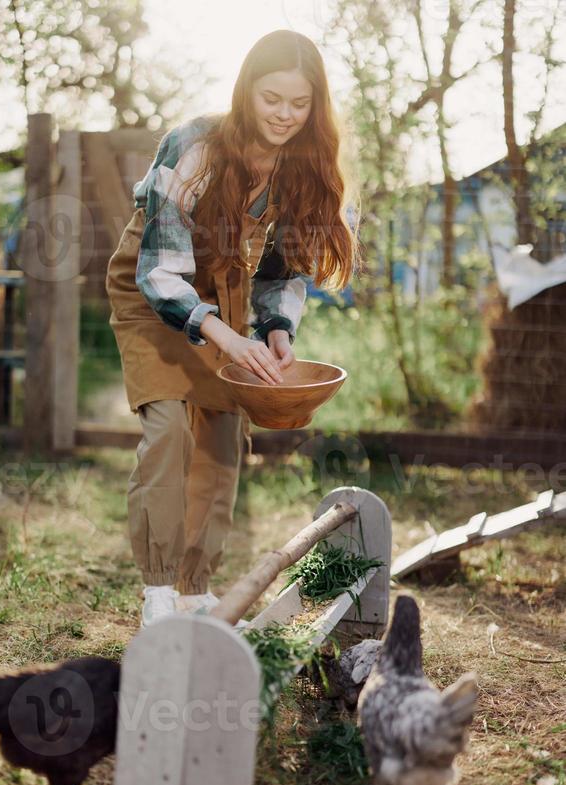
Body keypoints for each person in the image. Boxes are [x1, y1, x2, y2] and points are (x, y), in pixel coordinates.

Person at [106, 29, 359, 628]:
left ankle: (195, 592)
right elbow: (161, 271)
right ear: (247, 89)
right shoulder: (193, 145)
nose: (286, 116)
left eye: (300, 104)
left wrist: (274, 331)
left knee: (221, 444)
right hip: (154, 291)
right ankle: (160, 595)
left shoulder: (303, 164)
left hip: (227, 294)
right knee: (170, 429)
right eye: (273, 99)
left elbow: (282, 270)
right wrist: (228, 338)